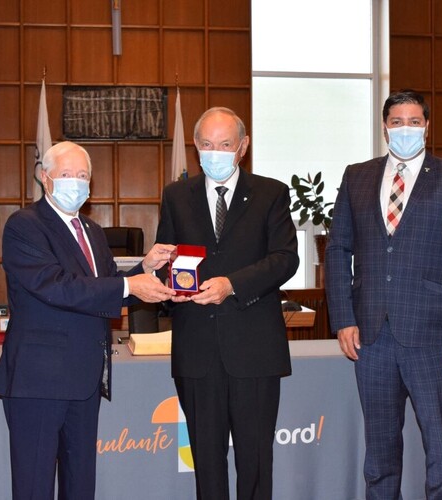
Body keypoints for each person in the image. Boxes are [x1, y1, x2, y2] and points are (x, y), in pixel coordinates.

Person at [0, 141, 176, 500]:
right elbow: (58, 287)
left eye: (82, 175)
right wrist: (128, 283)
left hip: (85, 378)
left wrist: (146, 268)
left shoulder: (92, 231)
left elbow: (106, 285)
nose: (75, 182)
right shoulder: (24, 226)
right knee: (34, 486)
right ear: (46, 179)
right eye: (66, 174)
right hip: (39, 381)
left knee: (81, 485)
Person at [325, 89, 442, 499]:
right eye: (397, 122)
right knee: (379, 455)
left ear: (427, 127)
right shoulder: (357, 176)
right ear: (384, 128)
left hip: (435, 337)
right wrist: (342, 317)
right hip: (371, 337)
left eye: (414, 122)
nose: (405, 129)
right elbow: (339, 250)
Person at [155, 107, 300, 499]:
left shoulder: (271, 193)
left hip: (254, 348)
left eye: (224, 144)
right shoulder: (176, 196)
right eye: (206, 144)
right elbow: (165, 263)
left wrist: (231, 285)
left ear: (243, 147)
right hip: (197, 350)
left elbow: (285, 259)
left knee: (254, 462)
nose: (214, 152)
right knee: (206, 461)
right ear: (195, 147)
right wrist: (159, 273)